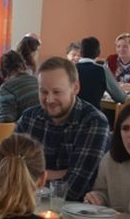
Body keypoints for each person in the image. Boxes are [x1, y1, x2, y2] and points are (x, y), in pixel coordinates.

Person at [15, 57, 110, 202]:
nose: (49, 99)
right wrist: (59, 174)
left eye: (57, 92)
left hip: (74, 211)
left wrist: (31, 173)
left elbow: (74, 188)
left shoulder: (94, 122)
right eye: (43, 92)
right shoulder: (29, 117)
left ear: (75, 88)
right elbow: (9, 169)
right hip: (27, 204)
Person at [75, 36, 127, 110]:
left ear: (80, 52)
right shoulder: (102, 70)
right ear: (98, 52)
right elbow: (120, 98)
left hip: (71, 114)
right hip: (93, 113)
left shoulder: (69, 69)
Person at [0, 50, 39, 122]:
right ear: (23, 65)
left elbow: (6, 120)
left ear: (2, 71)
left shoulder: (6, 88)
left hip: (26, 127)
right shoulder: (36, 81)